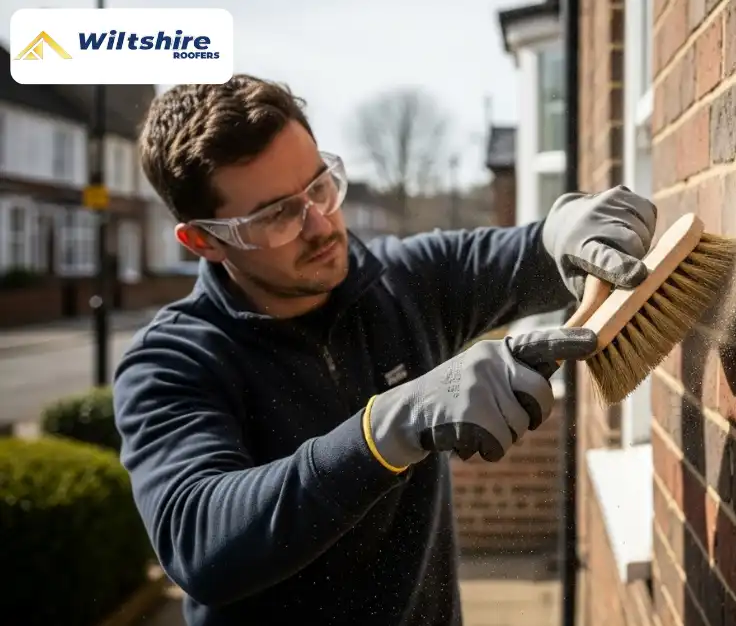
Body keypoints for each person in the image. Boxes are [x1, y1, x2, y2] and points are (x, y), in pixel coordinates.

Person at [113, 74, 659, 626]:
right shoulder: (172, 363)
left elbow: (531, 254)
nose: (321, 224)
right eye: (278, 215)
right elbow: (201, 543)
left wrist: (566, 228)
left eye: (321, 185)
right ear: (204, 240)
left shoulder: (402, 283)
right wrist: (386, 430)